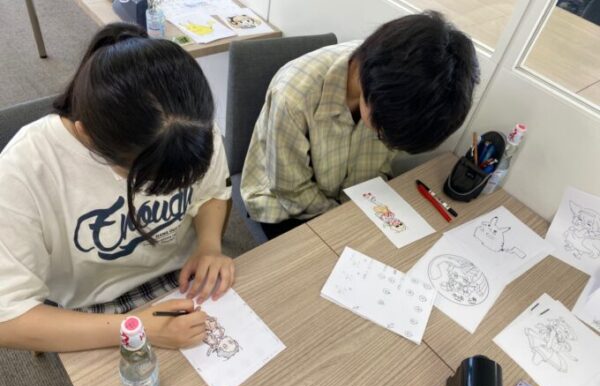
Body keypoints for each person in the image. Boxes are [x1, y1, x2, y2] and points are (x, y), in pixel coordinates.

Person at [0, 23, 234, 352]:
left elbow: (211, 193)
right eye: (145, 178)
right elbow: (8, 318)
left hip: (181, 275)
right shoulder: (24, 170)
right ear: (86, 135)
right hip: (91, 307)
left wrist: (209, 246)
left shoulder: (189, 127)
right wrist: (137, 328)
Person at [241, 11, 480, 239]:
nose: (384, 140)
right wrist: (348, 220)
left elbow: (378, 166)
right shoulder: (294, 96)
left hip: (353, 196)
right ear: (371, 91)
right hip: (284, 204)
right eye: (382, 134)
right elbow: (291, 190)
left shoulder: (397, 89)